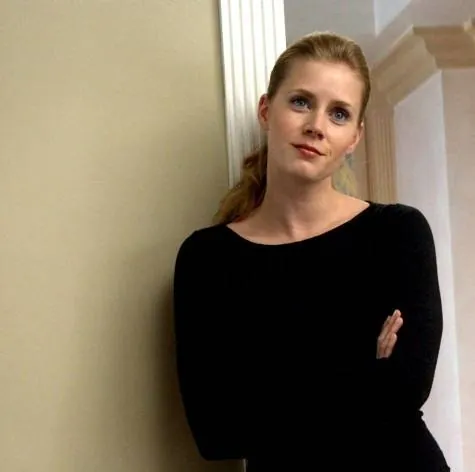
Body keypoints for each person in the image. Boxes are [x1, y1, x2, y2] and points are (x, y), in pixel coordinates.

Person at [173, 31, 449, 471]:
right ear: (267, 110)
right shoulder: (207, 260)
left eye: (339, 114)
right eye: (301, 102)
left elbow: (405, 390)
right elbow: (217, 430)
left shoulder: (398, 233)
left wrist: (273, 385)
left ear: (354, 137)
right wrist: (367, 369)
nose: (316, 125)